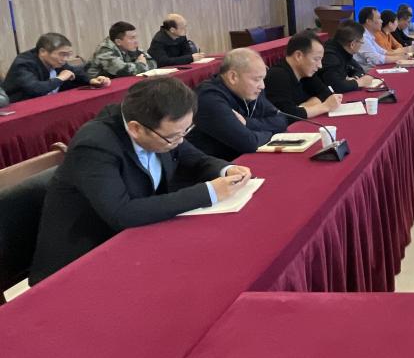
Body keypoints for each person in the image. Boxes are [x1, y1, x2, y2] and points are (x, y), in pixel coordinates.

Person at [29, 77, 250, 284]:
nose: (180, 140)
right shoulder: (95, 146)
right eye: (173, 136)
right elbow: (122, 213)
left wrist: (225, 169)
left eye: (186, 131)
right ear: (135, 128)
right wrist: (208, 192)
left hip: (136, 240)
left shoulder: (162, 129)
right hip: (80, 263)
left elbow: (194, 159)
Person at [188, 48, 288, 160]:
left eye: (263, 79)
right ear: (233, 77)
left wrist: (248, 123)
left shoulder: (249, 91)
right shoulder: (209, 98)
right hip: (210, 167)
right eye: (257, 79)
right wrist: (272, 134)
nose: (262, 86)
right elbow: (249, 143)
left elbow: (281, 120)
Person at [3, 32, 110, 102]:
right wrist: (60, 78)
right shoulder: (24, 63)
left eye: (68, 54)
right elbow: (35, 89)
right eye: (62, 54)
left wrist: (93, 80)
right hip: (19, 109)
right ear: (43, 51)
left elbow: (73, 72)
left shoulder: (55, 61)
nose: (66, 59)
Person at [263, 32, 341, 119]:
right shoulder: (277, 75)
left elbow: (326, 93)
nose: (320, 66)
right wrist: (325, 107)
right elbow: (287, 116)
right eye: (316, 59)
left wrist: (302, 107)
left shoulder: (305, 71)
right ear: (298, 56)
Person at [321, 21, 378, 92]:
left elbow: (359, 69)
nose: (361, 45)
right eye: (361, 42)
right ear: (352, 44)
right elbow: (336, 86)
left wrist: (354, 79)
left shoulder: (343, 50)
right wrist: (360, 82)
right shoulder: (330, 56)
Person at [87, 21, 157, 78]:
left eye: (135, 37)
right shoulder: (105, 49)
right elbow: (123, 70)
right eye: (132, 38)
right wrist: (141, 64)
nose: (136, 41)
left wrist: (140, 65)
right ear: (118, 42)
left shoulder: (130, 47)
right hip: (92, 86)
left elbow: (152, 62)